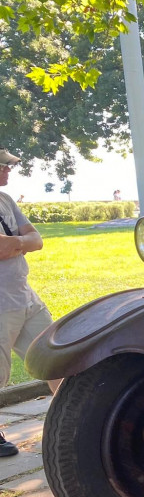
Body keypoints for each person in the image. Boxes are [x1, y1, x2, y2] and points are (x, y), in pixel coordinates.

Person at [0, 148, 60, 456]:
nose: (8, 170)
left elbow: (36, 240)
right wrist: (20, 243)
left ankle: (71, 418)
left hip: (24, 296)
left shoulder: (6, 201)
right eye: (3, 165)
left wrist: (18, 244)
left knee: (55, 355)